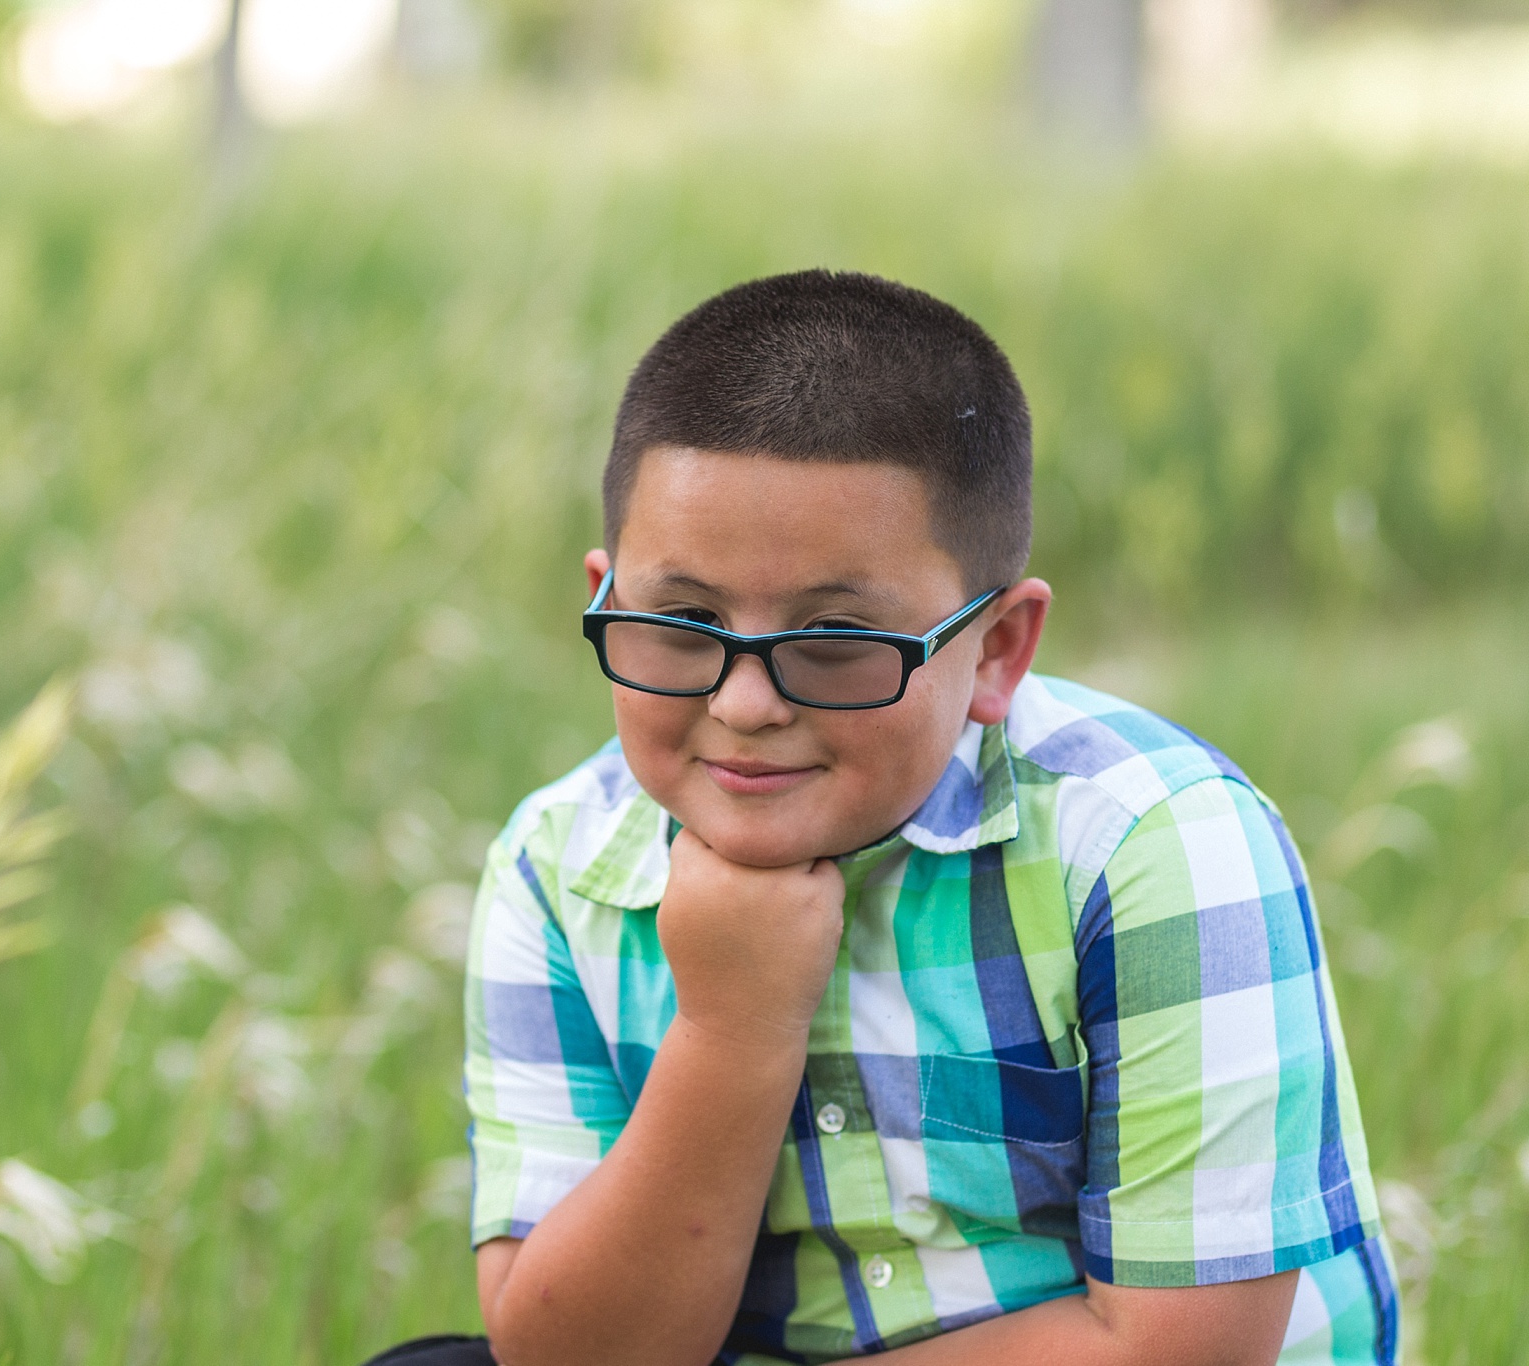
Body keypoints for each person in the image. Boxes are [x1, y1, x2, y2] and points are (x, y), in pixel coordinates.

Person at [365, 271, 1396, 1365]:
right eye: (680, 622)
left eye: (834, 640)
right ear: (607, 593)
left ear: (995, 648)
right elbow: (567, 1351)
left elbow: (1180, 1352)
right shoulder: (558, 859)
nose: (742, 703)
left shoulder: (1156, 842)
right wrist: (728, 1031)